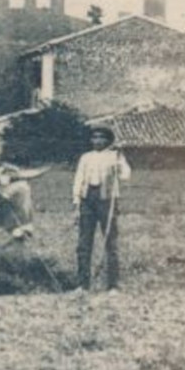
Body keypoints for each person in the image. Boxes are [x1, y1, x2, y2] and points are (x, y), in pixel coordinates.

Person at [73, 125, 131, 293]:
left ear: (107, 140)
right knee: (84, 243)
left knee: (110, 242)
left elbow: (125, 175)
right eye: (94, 137)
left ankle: (113, 285)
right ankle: (82, 284)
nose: (97, 141)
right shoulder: (86, 157)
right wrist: (77, 201)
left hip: (107, 200)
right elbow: (79, 179)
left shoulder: (115, 156)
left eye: (101, 137)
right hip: (87, 199)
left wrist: (120, 162)